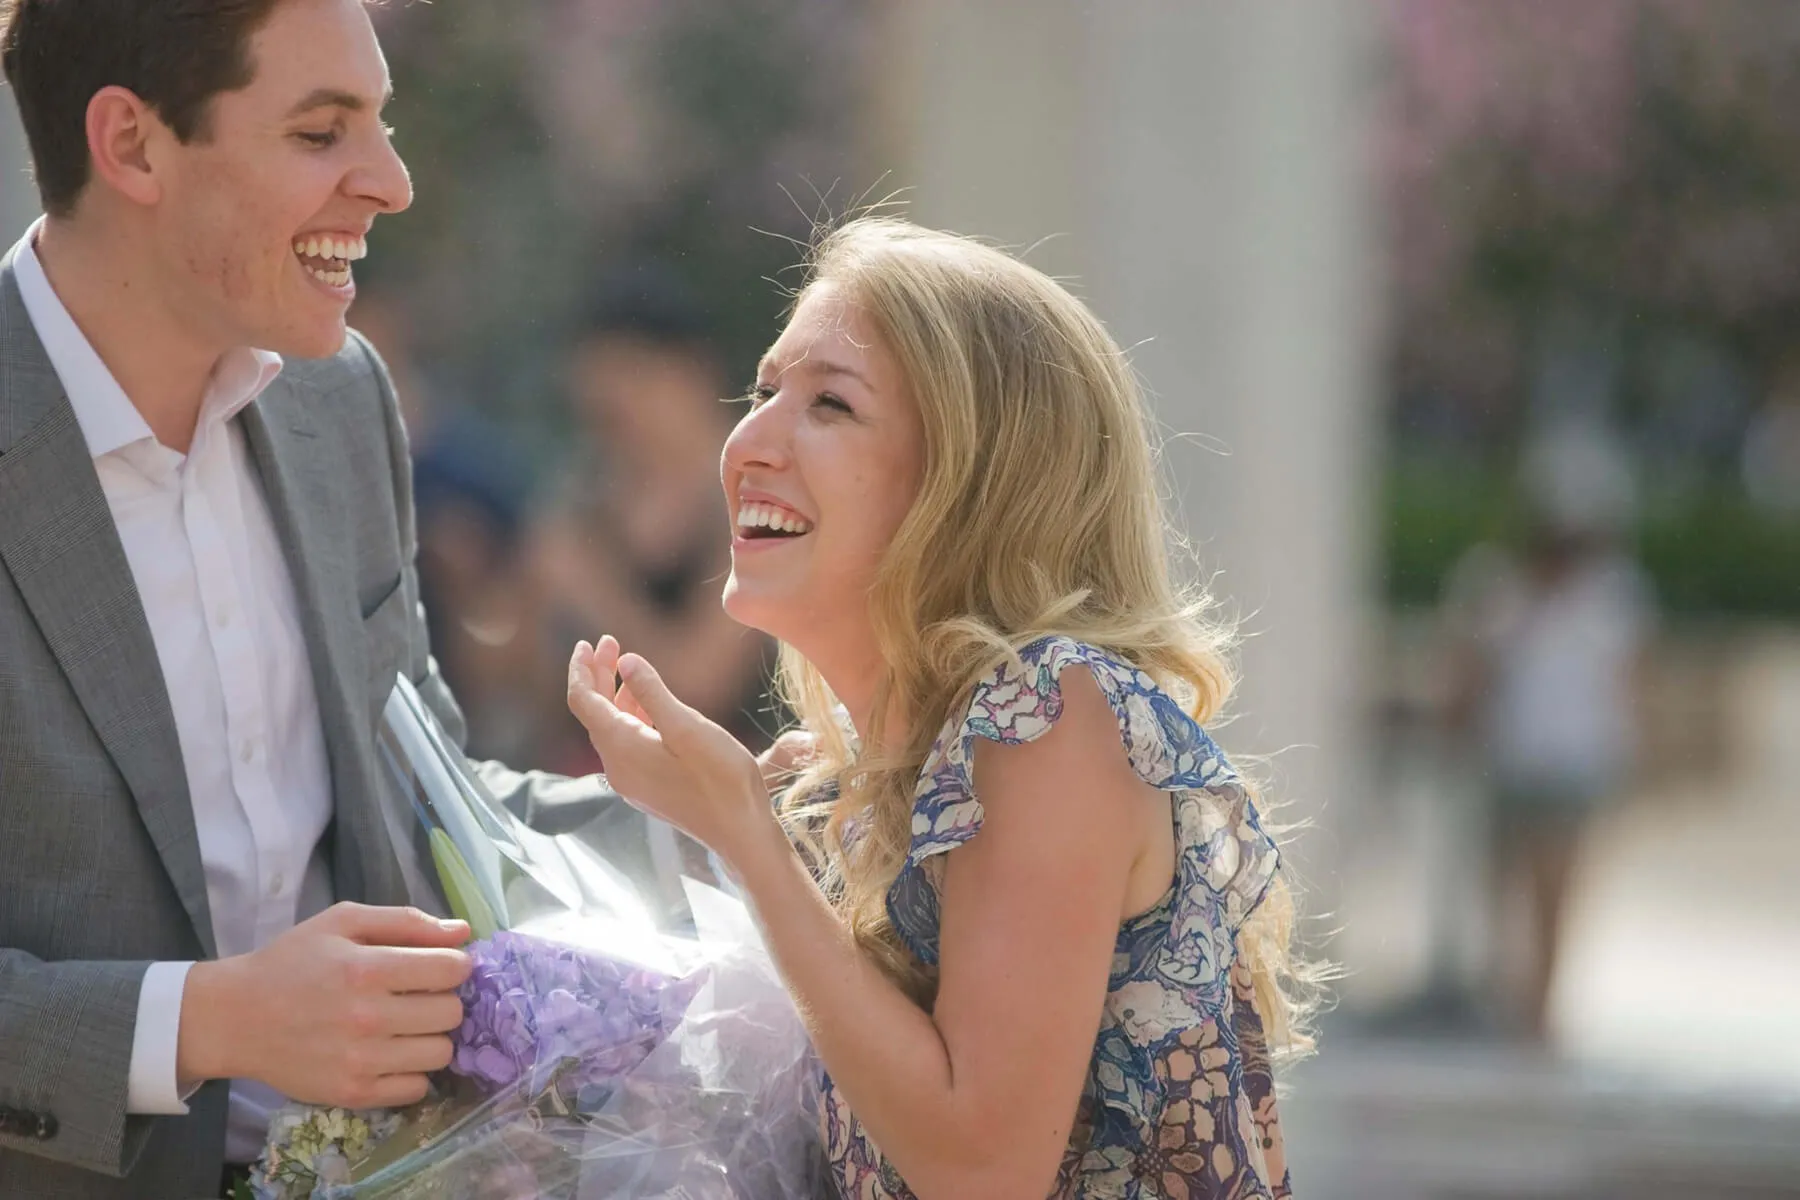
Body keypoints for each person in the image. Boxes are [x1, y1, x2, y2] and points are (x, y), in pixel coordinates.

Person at [0, 2, 665, 1195]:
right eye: (322, 132)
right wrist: (206, 1022)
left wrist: (725, 812)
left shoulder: (339, 402)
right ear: (134, 144)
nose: (393, 183)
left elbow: (425, 802)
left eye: (383, 124)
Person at [568, 218, 1311, 1198]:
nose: (747, 443)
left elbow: (982, 1168)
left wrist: (743, 835)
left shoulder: (1050, 715)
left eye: (829, 403)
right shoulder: (858, 786)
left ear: (973, 481)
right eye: (762, 392)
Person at [1442, 420, 1654, 1041]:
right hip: (1512, 756)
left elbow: (1628, 682)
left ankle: (1542, 1009)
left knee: (1557, 886)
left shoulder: (1613, 595)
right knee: (1505, 886)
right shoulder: (1498, 584)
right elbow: (1470, 668)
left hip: (1576, 759)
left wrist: (1632, 753)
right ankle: (1515, 997)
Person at [527, 263, 775, 776]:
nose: (623, 426)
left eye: (633, 395)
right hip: (600, 781)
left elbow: (700, 683)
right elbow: (520, 671)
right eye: (601, 414)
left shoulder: (754, 497)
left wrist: (588, 587)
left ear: (691, 374)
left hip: (730, 784)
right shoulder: (591, 494)